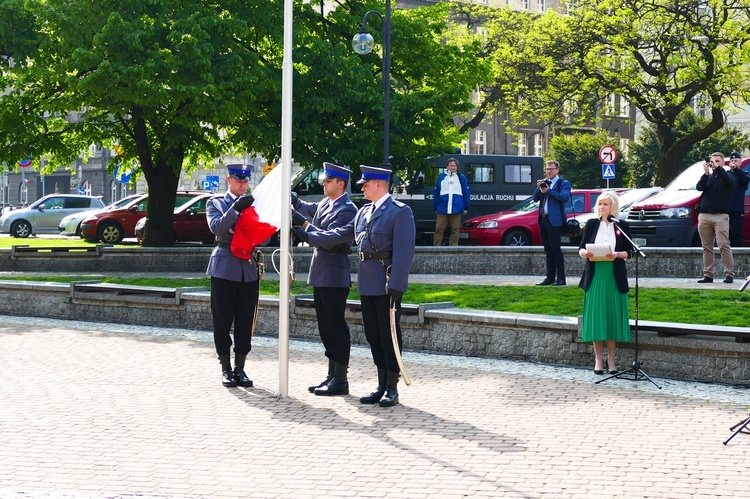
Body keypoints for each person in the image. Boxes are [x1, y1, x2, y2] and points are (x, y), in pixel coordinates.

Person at [293, 165, 416, 407]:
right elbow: (346, 238)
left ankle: (392, 386)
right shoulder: (364, 213)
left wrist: (398, 284)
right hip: (368, 282)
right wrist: (308, 231)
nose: (362, 187)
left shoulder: (400, 212)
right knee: (373, 334)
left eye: (366, 183)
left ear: (379, 185)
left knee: (388, 334)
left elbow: (404, 252)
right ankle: (381, 384)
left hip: (386, 282)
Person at [290, 163, 357, 396]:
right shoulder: (327, 203)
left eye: (328, 180)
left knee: (336, 326)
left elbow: (331, 238)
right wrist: (294, 201)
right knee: (325, 327)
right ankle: (332, 374)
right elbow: (309, 208)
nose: (323, 183)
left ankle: (341, 379)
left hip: (334, 272)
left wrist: (306, 231)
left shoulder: (347, 208)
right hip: (321, 272)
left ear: (341, 183)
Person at [206, 164, 259, 388]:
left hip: (247, 269)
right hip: (224, 268)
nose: (242, 184)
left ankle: (240, 368)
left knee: (245, 322)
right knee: (222, 320)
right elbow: (217, 228)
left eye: (246, 181)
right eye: (238, 180)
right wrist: (236, 209)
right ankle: (226, 368)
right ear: (229, 180)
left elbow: (263, 237)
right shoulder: (215, 202)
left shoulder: (254, 205)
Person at [578, 191, 633, 375]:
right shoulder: (592, 224)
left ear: (613, 207)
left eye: (605, 204)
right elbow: (581, 247)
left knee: (611, 317)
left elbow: (629, 252)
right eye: (600, 204)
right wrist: (584, 253)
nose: (601, 207)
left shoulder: (621, 225)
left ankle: (611, 360)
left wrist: (617, 255)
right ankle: (598, 359)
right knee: (597, 316)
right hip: (595, 274)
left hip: (613, 275)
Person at [696, 152, 736, 284]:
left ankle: (729, 274)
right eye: (713, 161)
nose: (715, 163)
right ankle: (708, 275)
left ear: (723, 162)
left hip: (721, 215)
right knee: (706, 246)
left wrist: (718, 168)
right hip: (705, 215)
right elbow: (699, 187)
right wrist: (706, 173)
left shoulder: (728, 176)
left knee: (724, 245)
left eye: (718, 161)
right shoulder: (709, 177)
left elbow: (730, 183)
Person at [533, 160, 572, 286]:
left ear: (557, 170)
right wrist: (540, 187)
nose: (549, 171)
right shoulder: (545, 183)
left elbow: (564, 197)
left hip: (554, 220)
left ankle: (561, 279)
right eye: (547, 169)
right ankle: (549, 278)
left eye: (551, 169)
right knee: (548, 250)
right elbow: (534, 198)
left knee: (556, 249)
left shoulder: (563, 183)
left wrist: (548, 191)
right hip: (543, 219)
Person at [433, 157, 470, 246]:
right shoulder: (442, 177)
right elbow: (436, 192)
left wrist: (465, 207)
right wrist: (436, 206)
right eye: (451, 165)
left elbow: (466, 192)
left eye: (454, 166)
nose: (453, 167)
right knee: (439, 229)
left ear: (457, 167)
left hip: (456, 208)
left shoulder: (461, 178)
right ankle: (436, 247)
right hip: (442, 208)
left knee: (455, 229)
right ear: (447, 167)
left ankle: (453, 247)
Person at [728, 152, 749, 247]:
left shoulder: (743, 174)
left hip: (737, 209)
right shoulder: (727, 174)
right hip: (726, 209)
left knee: (736, 234)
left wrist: (736, 169)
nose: (733, 162)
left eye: (736, 160)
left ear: (740, 162)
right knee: (726, 235)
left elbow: (744, 180)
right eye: (732, 160)